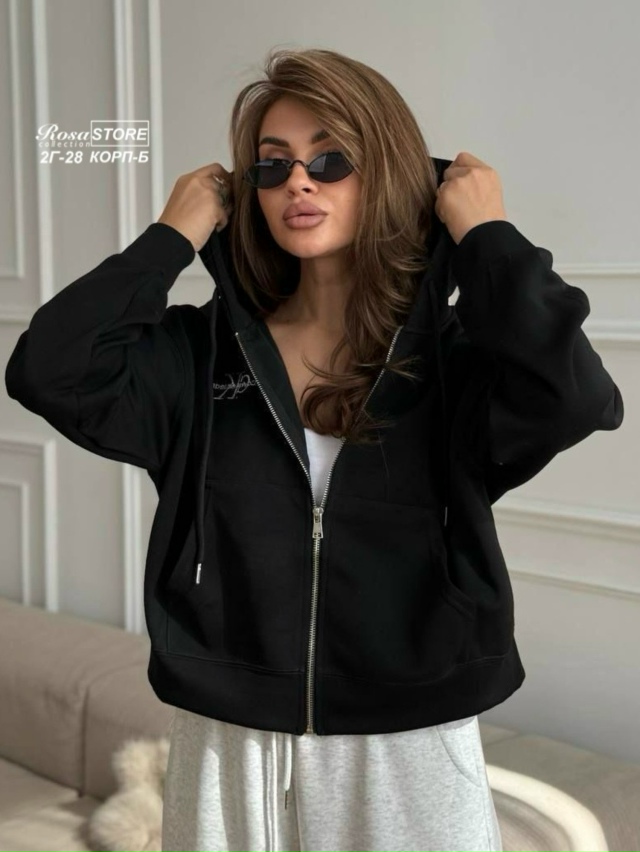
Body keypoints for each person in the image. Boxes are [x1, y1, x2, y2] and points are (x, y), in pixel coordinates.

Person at [4, 47, 624, 852]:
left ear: (387, 173)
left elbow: (576, 395)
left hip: (409, 738)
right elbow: (48, 369)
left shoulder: (452, 363)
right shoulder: (199, 355)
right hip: (227, 733)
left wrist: (486, 232)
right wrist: (171, 234)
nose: (299, 182)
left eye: (331, 160)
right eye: (273, 166)